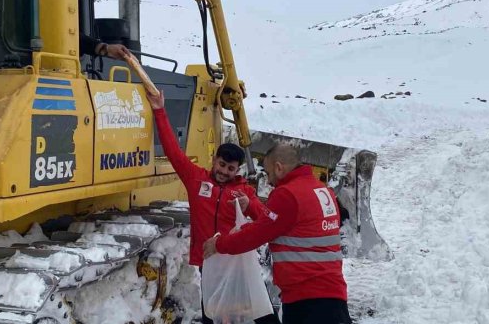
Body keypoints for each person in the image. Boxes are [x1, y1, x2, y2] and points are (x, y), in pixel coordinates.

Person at [146, 90, 279, 324]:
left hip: (236, 263)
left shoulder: (244, 190)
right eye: (222, 164)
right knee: (212, 312)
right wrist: (159, 110)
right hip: (209, 262)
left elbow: (263, 219)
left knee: (257, 311)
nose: (224, 171)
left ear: (237, 170)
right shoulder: (196, 180)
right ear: (214, 161)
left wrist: (249, 205)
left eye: (231, 168)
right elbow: (173, 153)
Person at [203, 143, 352, 324]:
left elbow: (257, 234)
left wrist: (219, 244)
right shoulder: (321, 190)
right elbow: (278, 223)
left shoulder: (287, 194)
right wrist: (250, 206)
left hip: (307, 301)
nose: (269, 181)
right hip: (332, 296)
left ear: (279, 167)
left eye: (268, 173)